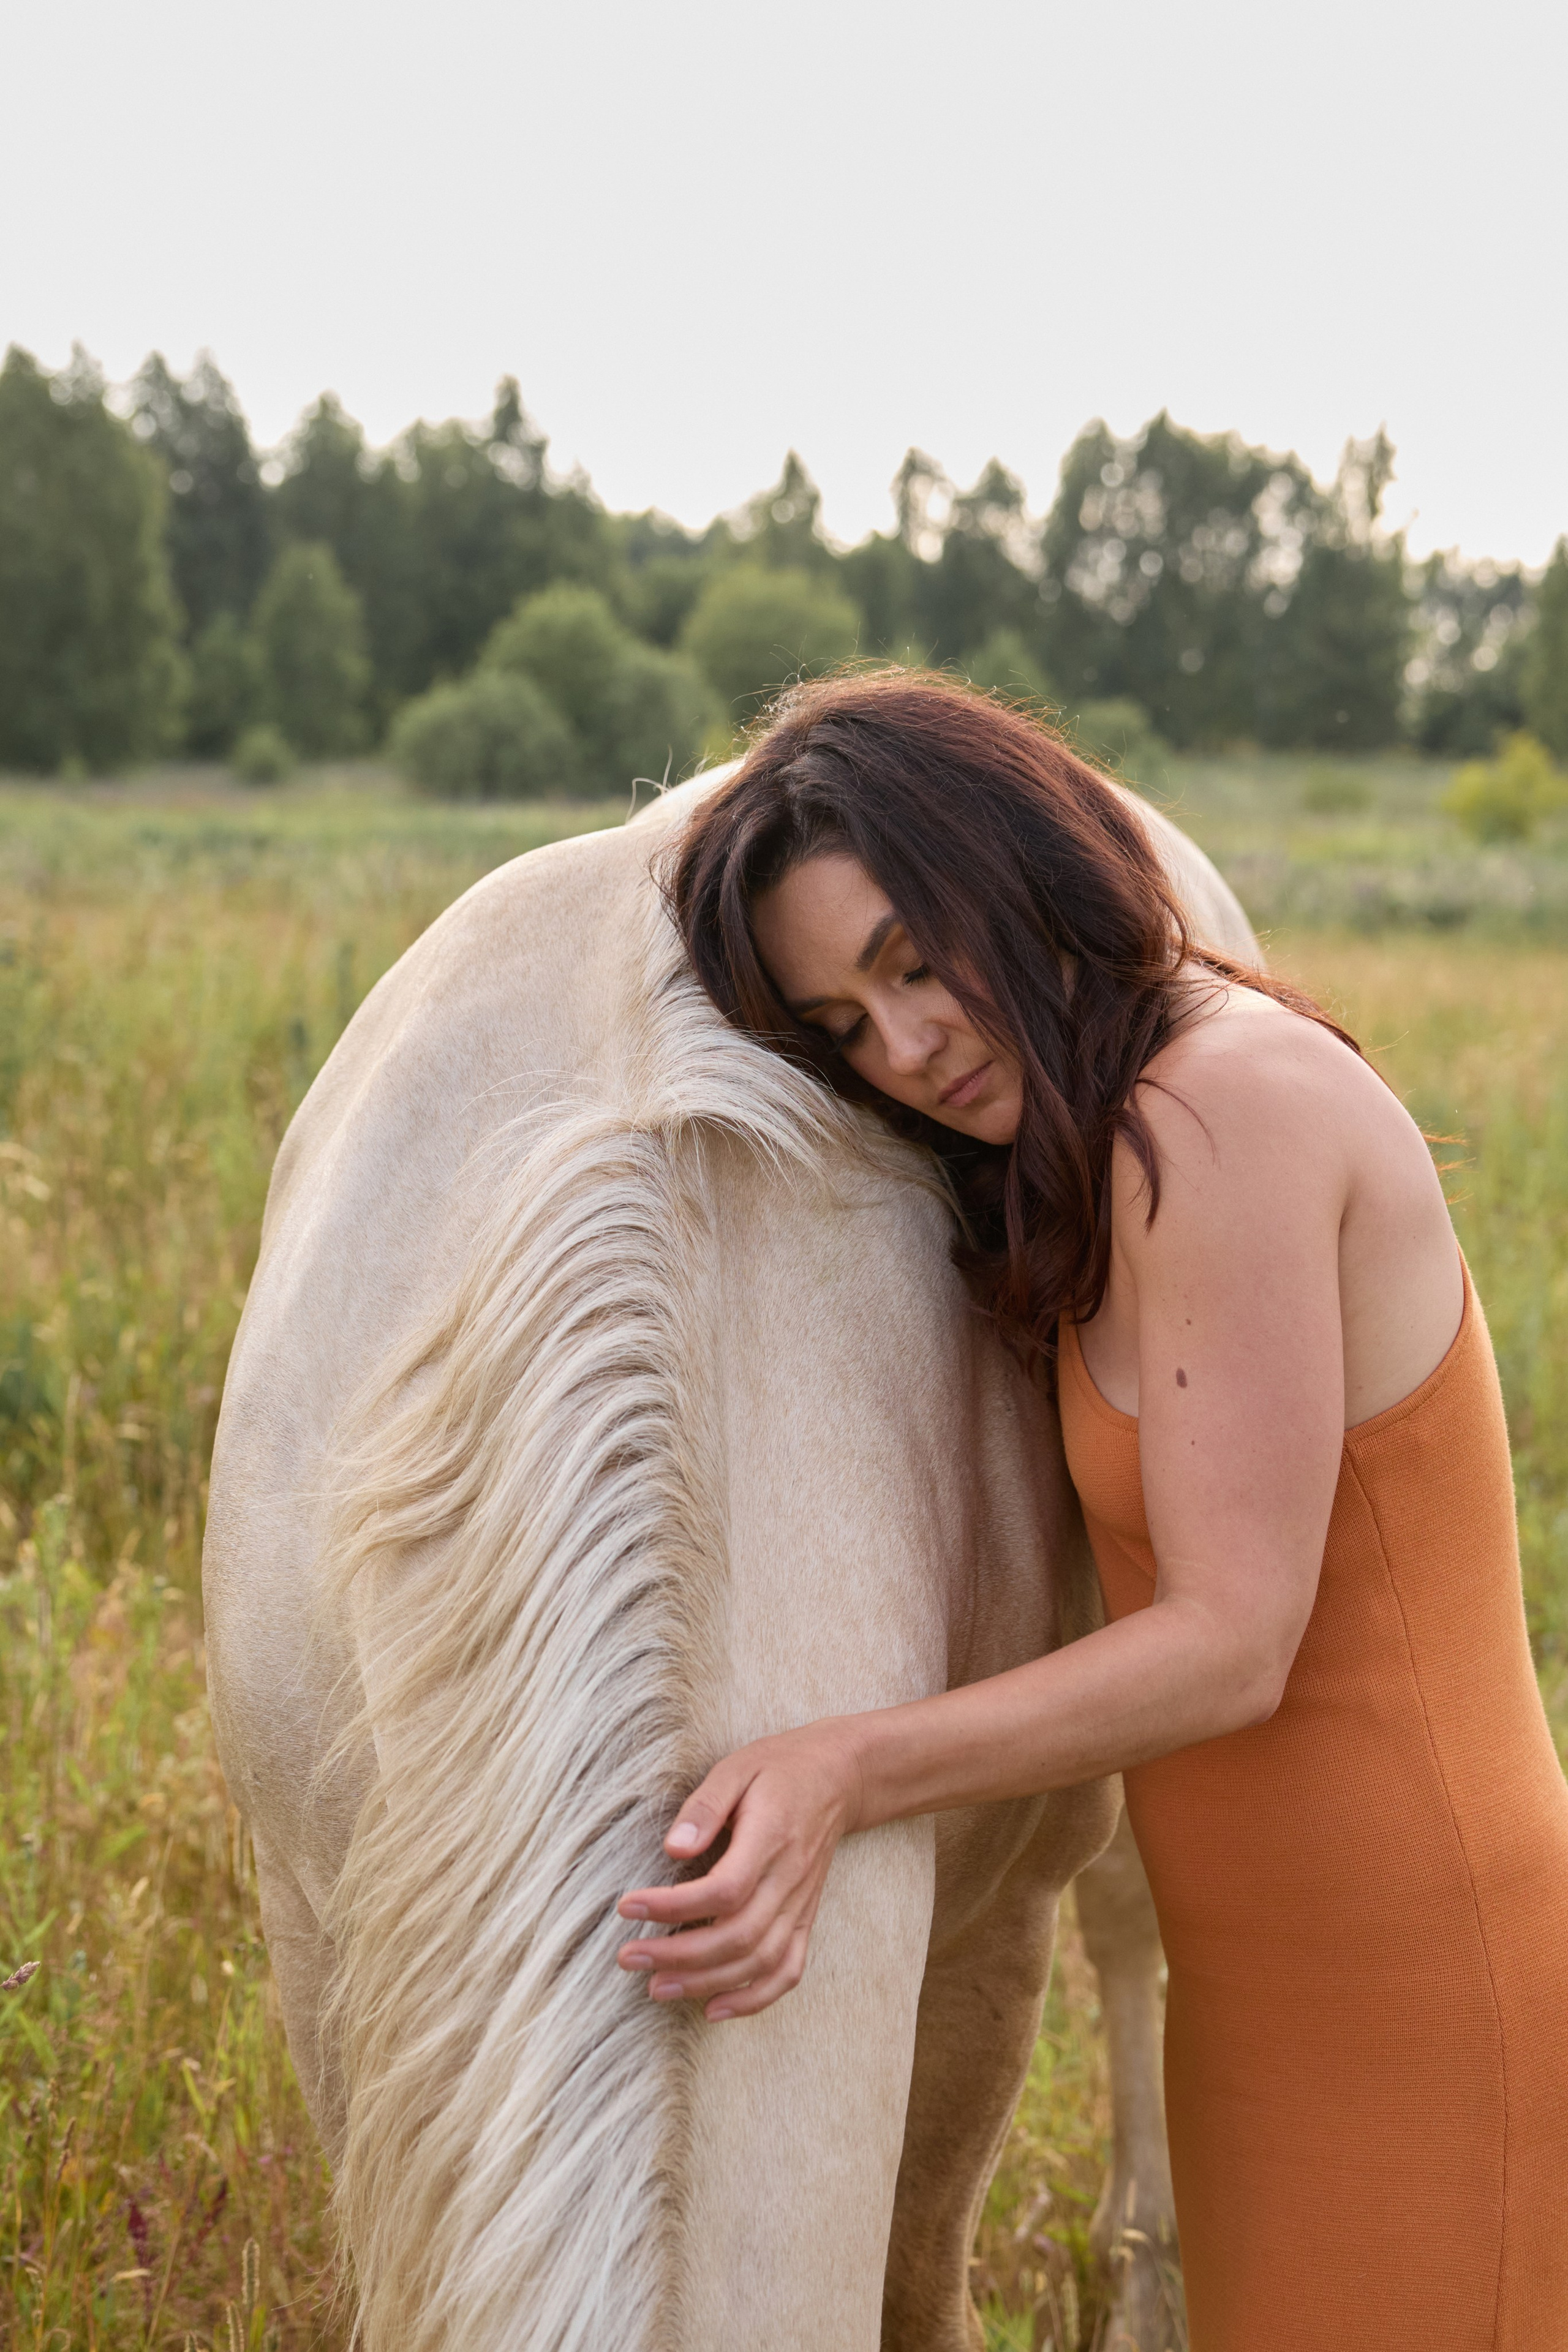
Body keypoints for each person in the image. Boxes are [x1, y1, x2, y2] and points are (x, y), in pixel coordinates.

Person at [615, 671, 1568, 2348]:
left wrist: (842, 1765)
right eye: (841, 1023)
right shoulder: (1110, 1131)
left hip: (1431, 2004)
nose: (904, 1047)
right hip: (1270, 2004)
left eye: (916, 960)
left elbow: (1233, 1645)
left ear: (1019, 863)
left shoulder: (1221, 1110)